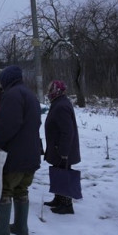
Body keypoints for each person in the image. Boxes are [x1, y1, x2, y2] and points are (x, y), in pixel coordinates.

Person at [0, 65, 42, 235]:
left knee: (5, 189)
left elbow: (9, 124)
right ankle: (20, 227)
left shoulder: (12, 95)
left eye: (1, 80)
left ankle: (2, 229)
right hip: (32, 153)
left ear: (7, 79)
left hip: (15, 154)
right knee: (22, 189)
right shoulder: (30, 94)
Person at [43, 79, 81, 214]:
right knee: (58, 172)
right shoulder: (58, 103)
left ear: (56, 91)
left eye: (50, 90)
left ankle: (66, 205)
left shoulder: (61, 106)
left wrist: (63, 151)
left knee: (63, 174)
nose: (48, 93)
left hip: (63, 150)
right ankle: (58, 199)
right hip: (58, 148)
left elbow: (67, 131)